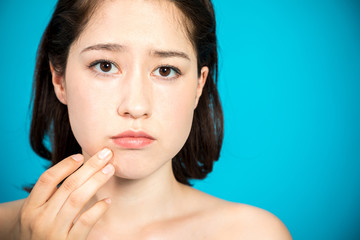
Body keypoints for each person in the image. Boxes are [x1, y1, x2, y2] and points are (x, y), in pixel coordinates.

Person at [0, 0, 292, 239]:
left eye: (166, 70)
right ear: (59, 79)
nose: (136, 106)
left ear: (199, 86)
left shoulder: (253, 233)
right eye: (105, 65)